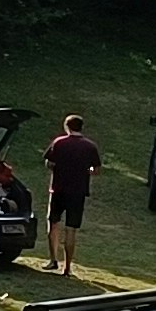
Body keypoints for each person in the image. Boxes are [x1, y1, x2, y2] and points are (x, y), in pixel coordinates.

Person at [43, 114, 103, 278]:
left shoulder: (59, 142)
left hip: (59, 189)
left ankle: (53, 259)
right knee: (71, 229)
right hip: (78, 192)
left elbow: (49, 162)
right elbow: (96, 170)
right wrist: (86, 171)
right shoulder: (90, 147)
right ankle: (67, 267)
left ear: (66, 126)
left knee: (53, 223)